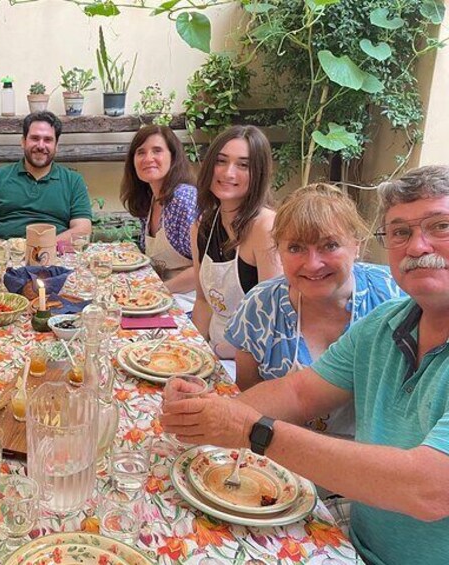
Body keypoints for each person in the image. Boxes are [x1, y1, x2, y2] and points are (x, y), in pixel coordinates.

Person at [161, 165, 449, 565]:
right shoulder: (387, 325)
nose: (418, 246)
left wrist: (253, 432)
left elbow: (430, 489)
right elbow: (298, 391)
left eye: (441, 226)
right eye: (401, 231)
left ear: (358, 245)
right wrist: (211, 408)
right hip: (354, 540)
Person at [225, 183, 403, 438]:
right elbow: (248, 388)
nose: (313, 264)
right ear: (279, 252)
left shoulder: (393, 298)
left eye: (329, 245)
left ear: (356, 245)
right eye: (296, 248)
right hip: (282, 451)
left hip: (372, 458)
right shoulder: (260, 307)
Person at [190, 125, 281, 360]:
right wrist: (193, 354)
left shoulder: (265, 227)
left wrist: (220, 352)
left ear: (258, 173)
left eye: (243, 165)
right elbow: (202, 302)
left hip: (254, 361)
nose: (228, 173)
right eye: (221, 161)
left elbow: (272, 322)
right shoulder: (202, 225)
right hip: (212, 352)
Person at [0, 111, 93, 243]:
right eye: (35, 138)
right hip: (3, 255)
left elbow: (83, 229)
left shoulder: (73, 181)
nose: (41, 146)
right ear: (23, 141)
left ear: (57, 146)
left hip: (55, 254)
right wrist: (1, 248)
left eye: (48, 140)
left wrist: (41, 248)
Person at [120, 124, 197, 297]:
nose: (148, 158)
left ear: (173, 157)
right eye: (141, 152)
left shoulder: (182, 198)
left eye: (157, 151)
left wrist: (157, 290)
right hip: (161, 292)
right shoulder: (150, 198)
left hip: (189, 299)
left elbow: (206, 268)